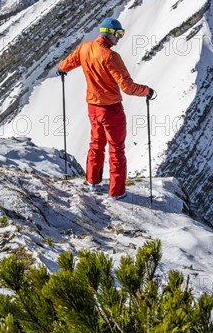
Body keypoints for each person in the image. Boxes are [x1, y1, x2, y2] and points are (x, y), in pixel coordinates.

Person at [57, 17, 155, 200]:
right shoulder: (111, 57)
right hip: (111, 110)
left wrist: (62, 69)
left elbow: (67, 63)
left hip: (93, 107)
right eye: (119, 34)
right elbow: (127, 87)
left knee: (96, 144)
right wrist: (147, 91)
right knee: (116, 151)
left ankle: (93, 182)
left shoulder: (85, 48)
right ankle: (117, 193)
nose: (120, 38)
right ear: (110, 34)